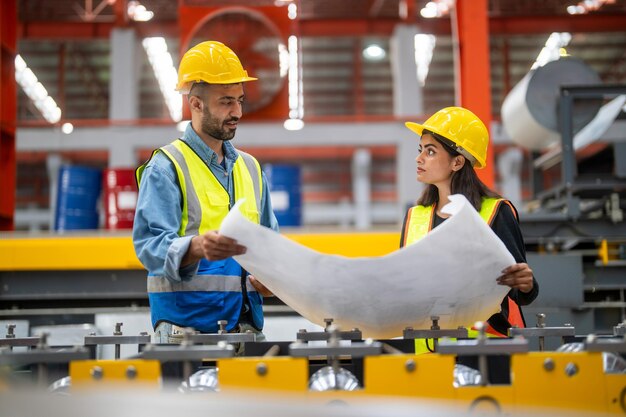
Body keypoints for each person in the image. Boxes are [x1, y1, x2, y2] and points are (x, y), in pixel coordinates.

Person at [133, 41, 278, 345]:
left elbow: (271, 245)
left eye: (239, 100)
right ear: (196, 104)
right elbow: (150, 247)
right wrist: (196, 247)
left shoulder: (251, 169)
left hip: (245, 331)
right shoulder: (166, 167)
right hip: (185, 334)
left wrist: (274, 279)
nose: (237, 111)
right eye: (226, 101)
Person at [400, 107, 538, 379]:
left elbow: (520, 291)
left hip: (487, 352)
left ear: (457, 162)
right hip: (428, 353)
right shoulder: (415, 217)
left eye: (430, 151)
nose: (419, 159)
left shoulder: (495, 211)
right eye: (421, 149)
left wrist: (527, 283)